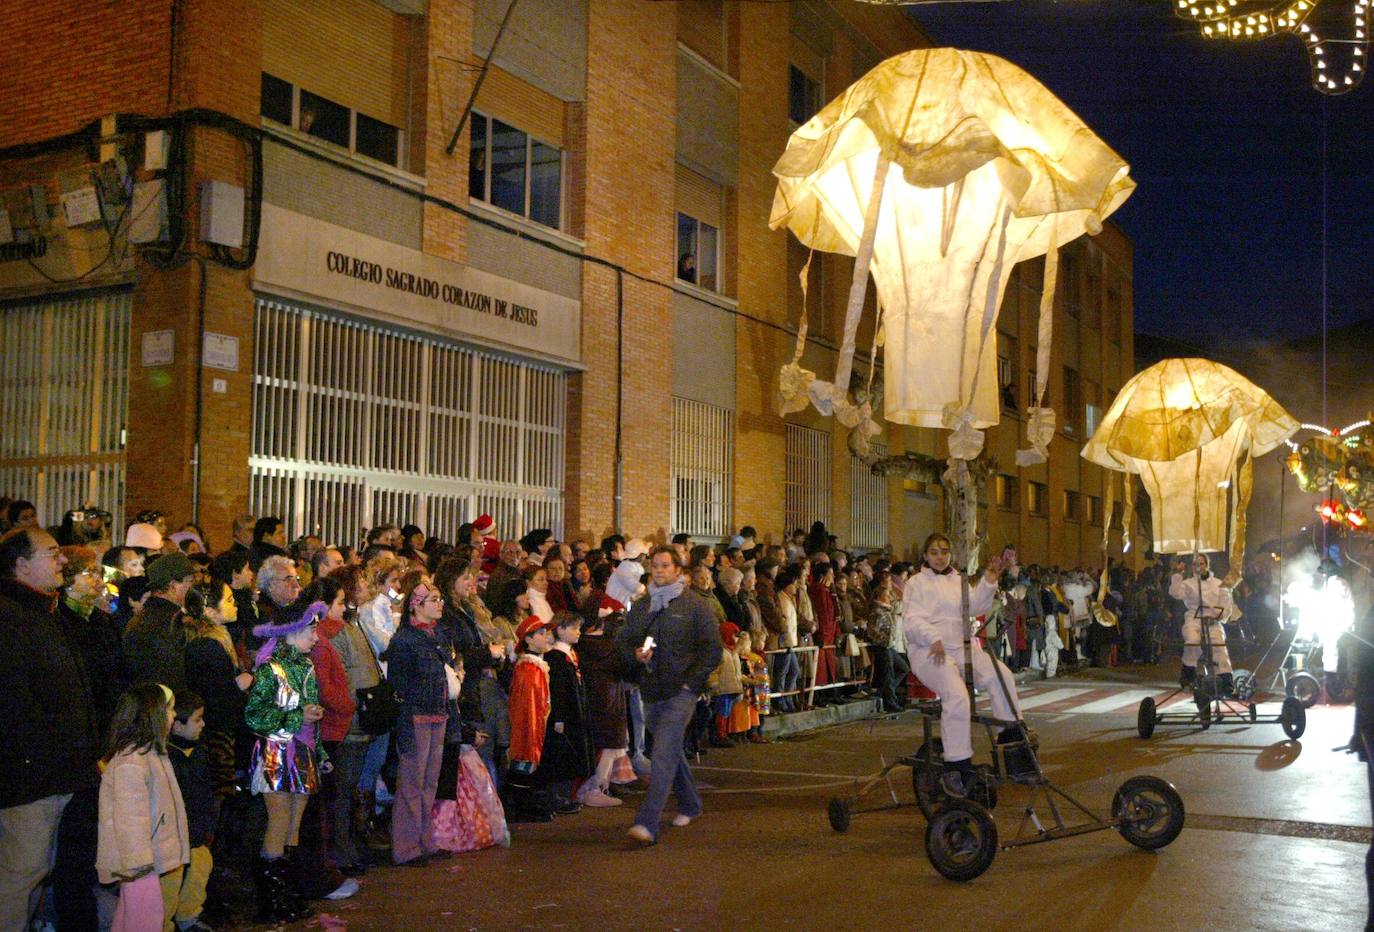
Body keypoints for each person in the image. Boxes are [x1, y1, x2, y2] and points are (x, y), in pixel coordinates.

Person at [0, 528, 102, 932]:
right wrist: (43, 761)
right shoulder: (10, 619)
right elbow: (15, 706)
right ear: (21, 564)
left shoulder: (42, 613)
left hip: (58, 774)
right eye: (52, 554)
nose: (62, 562)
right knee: (19, 875)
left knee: (37, 873)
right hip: (31, 779)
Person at [615, 546, 721, 846]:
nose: (659, 570)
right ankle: (690, 804)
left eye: (665, 565)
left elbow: (712, 650)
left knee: (661, 753)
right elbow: (623, 642)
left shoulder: (695, 606)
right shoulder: (643, 606)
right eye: (655, 566)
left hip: (681, 692)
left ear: (678, 571)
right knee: (669, 748)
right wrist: (635, 655)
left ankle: (647, 823)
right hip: (651, 691)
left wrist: (691, 684)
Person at [902, 533, 1019, 798]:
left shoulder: (959, 581)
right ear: (925, 555)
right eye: (934, 552)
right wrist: (933, 638)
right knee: (957, 696)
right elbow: (911, 621)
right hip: (930, 652)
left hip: (963, 647)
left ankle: (1013, 741)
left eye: (944, 551)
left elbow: (975, 605)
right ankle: (956, 765)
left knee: (1002, 675)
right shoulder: (916, 583)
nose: (940, 557)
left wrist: (989, 580)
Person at [245, 598, 328, 922]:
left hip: (303, 752)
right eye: (311, 630)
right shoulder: (269, 670)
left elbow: (309, 714)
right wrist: (297, 715)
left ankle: (288, 891)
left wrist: (319, 751)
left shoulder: (306, 667)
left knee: (294, 825)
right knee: (278, 822)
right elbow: (254, 716)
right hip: (277, 753)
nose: (316, 637)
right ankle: (271, 900)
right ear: (292, 631)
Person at [96, 683, 191, 932]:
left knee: (131, 915)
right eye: (169, 709)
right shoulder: (132, 761)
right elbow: (130, 819)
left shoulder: (151, 755)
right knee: (146, 917)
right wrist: (138, 862)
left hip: (142, 860)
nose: (173, 715)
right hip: (138, 862)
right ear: (153, 714)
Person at [383, 577, 455, 867]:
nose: (440, 604)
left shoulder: (436, 635)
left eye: (440, 599)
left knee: (429, 781)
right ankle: (406, 847)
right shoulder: (404, 640)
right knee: (412, 782)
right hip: (414, 716)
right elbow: (398, 684)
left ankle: (425, 840)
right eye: (433, 600)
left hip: (437, 712)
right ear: (416, 606)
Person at [167, 691, 216, 932]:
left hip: (198, 831)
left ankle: (189, 917)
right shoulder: (167, 757)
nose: (203, 724)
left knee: (199, 871)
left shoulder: (198, 753)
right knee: (171, 881)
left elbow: (207, 794)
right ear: (176, 725)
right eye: (197, 719)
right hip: (175, 836)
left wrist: (209, 826)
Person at [505, 614, 557, 823]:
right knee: (524, 763)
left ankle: (527, 805)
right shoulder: (528, 669)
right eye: (542, 633)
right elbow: (527, 705)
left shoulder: (535, 666)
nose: (547, 637)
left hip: (536, 724)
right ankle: (522, 807)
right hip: (527, 726)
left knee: (528, 765)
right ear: (528, 639)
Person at [123, 552, 199, 693]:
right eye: (190, 581)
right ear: (172, 586)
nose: (193, 588)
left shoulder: (143, 617)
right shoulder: (171, 622)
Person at [542, 612, 593, 814]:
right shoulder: (555, 657)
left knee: (571, 755)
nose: (578, 632)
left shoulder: (569, 655)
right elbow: (557, 691)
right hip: (564, 716)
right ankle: (558, 798)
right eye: (573, 628)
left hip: (574, 713)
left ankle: (566, 796)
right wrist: (559, 717)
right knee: (562, 756)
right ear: (560, 629)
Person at [1169, 553, 1235, 693]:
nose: (1198, 567)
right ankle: (1188, 672)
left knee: (1219, 646)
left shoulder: (1219, 584)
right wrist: (1177, 574)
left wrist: (1217, 616)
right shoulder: (1188, 583)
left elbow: (1226, 605)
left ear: (1207, 565)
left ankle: (1226, 679)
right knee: (1192, 640)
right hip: (1194, 618)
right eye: (1195, 564)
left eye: (1201, 563)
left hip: (1213, 621)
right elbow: (1175, 593)